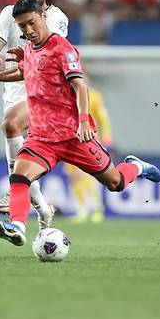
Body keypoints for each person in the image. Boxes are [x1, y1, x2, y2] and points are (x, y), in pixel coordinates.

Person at [0, 0, 160, 246]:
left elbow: (80, 87)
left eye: (31, 23)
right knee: (20, 177)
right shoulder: (29, 50)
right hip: (42, 137)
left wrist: (84, 121)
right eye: (22, 26)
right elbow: (22, 72)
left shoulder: (62, 48)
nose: (28, 31)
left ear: (43, 16)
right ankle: (18, 227)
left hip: (74, 136)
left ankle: (137, 167)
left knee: (116, 183)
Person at [0, 0, 68, 230]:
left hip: (42, 93)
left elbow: (47, 58)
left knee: (10, 126)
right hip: (13, 92)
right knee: (25, 157)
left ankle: (13, 188)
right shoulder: (10, 14)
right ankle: (44, 212)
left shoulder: (56, 18)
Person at [63, 83, 112, 223]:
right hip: (69, 139)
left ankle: (97, 208)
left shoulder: (95, 96)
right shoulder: (64, 94)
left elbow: (103, 117)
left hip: (88, 137)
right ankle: (82, 210)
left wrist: (107, 137)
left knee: (87, 174)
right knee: (74, 175)